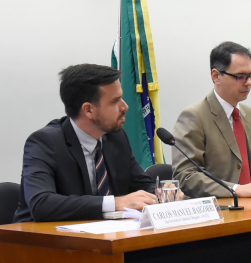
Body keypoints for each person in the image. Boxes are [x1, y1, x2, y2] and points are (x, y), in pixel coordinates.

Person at [13, 64, 157, 223]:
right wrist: (115, 203)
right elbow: (42, 204)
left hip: (104, 237)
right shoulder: (45, 143)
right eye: (115, 101)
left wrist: (162, 194)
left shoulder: (116, 137)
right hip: (41, 242)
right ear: (88, 110)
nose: (125, 106)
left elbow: (142, 184)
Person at [172, 41, 251, 199]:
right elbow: (186, 176)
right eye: (240, 77)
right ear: (216, 76)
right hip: (218, 210)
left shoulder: (249, 115)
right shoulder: (194, 116)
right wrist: (236, 189)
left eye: (250, 76)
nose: (249, 82)